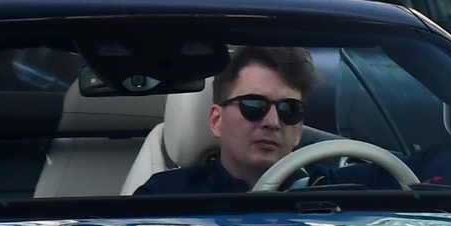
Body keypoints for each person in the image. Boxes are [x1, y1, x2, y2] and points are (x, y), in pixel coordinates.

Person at [136, 47, 317, 194]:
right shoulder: (165, 198)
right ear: (217, 120)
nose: (273, 122)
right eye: (254, 106)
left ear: (299, 130)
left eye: (289, 109)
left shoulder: (329, 190)